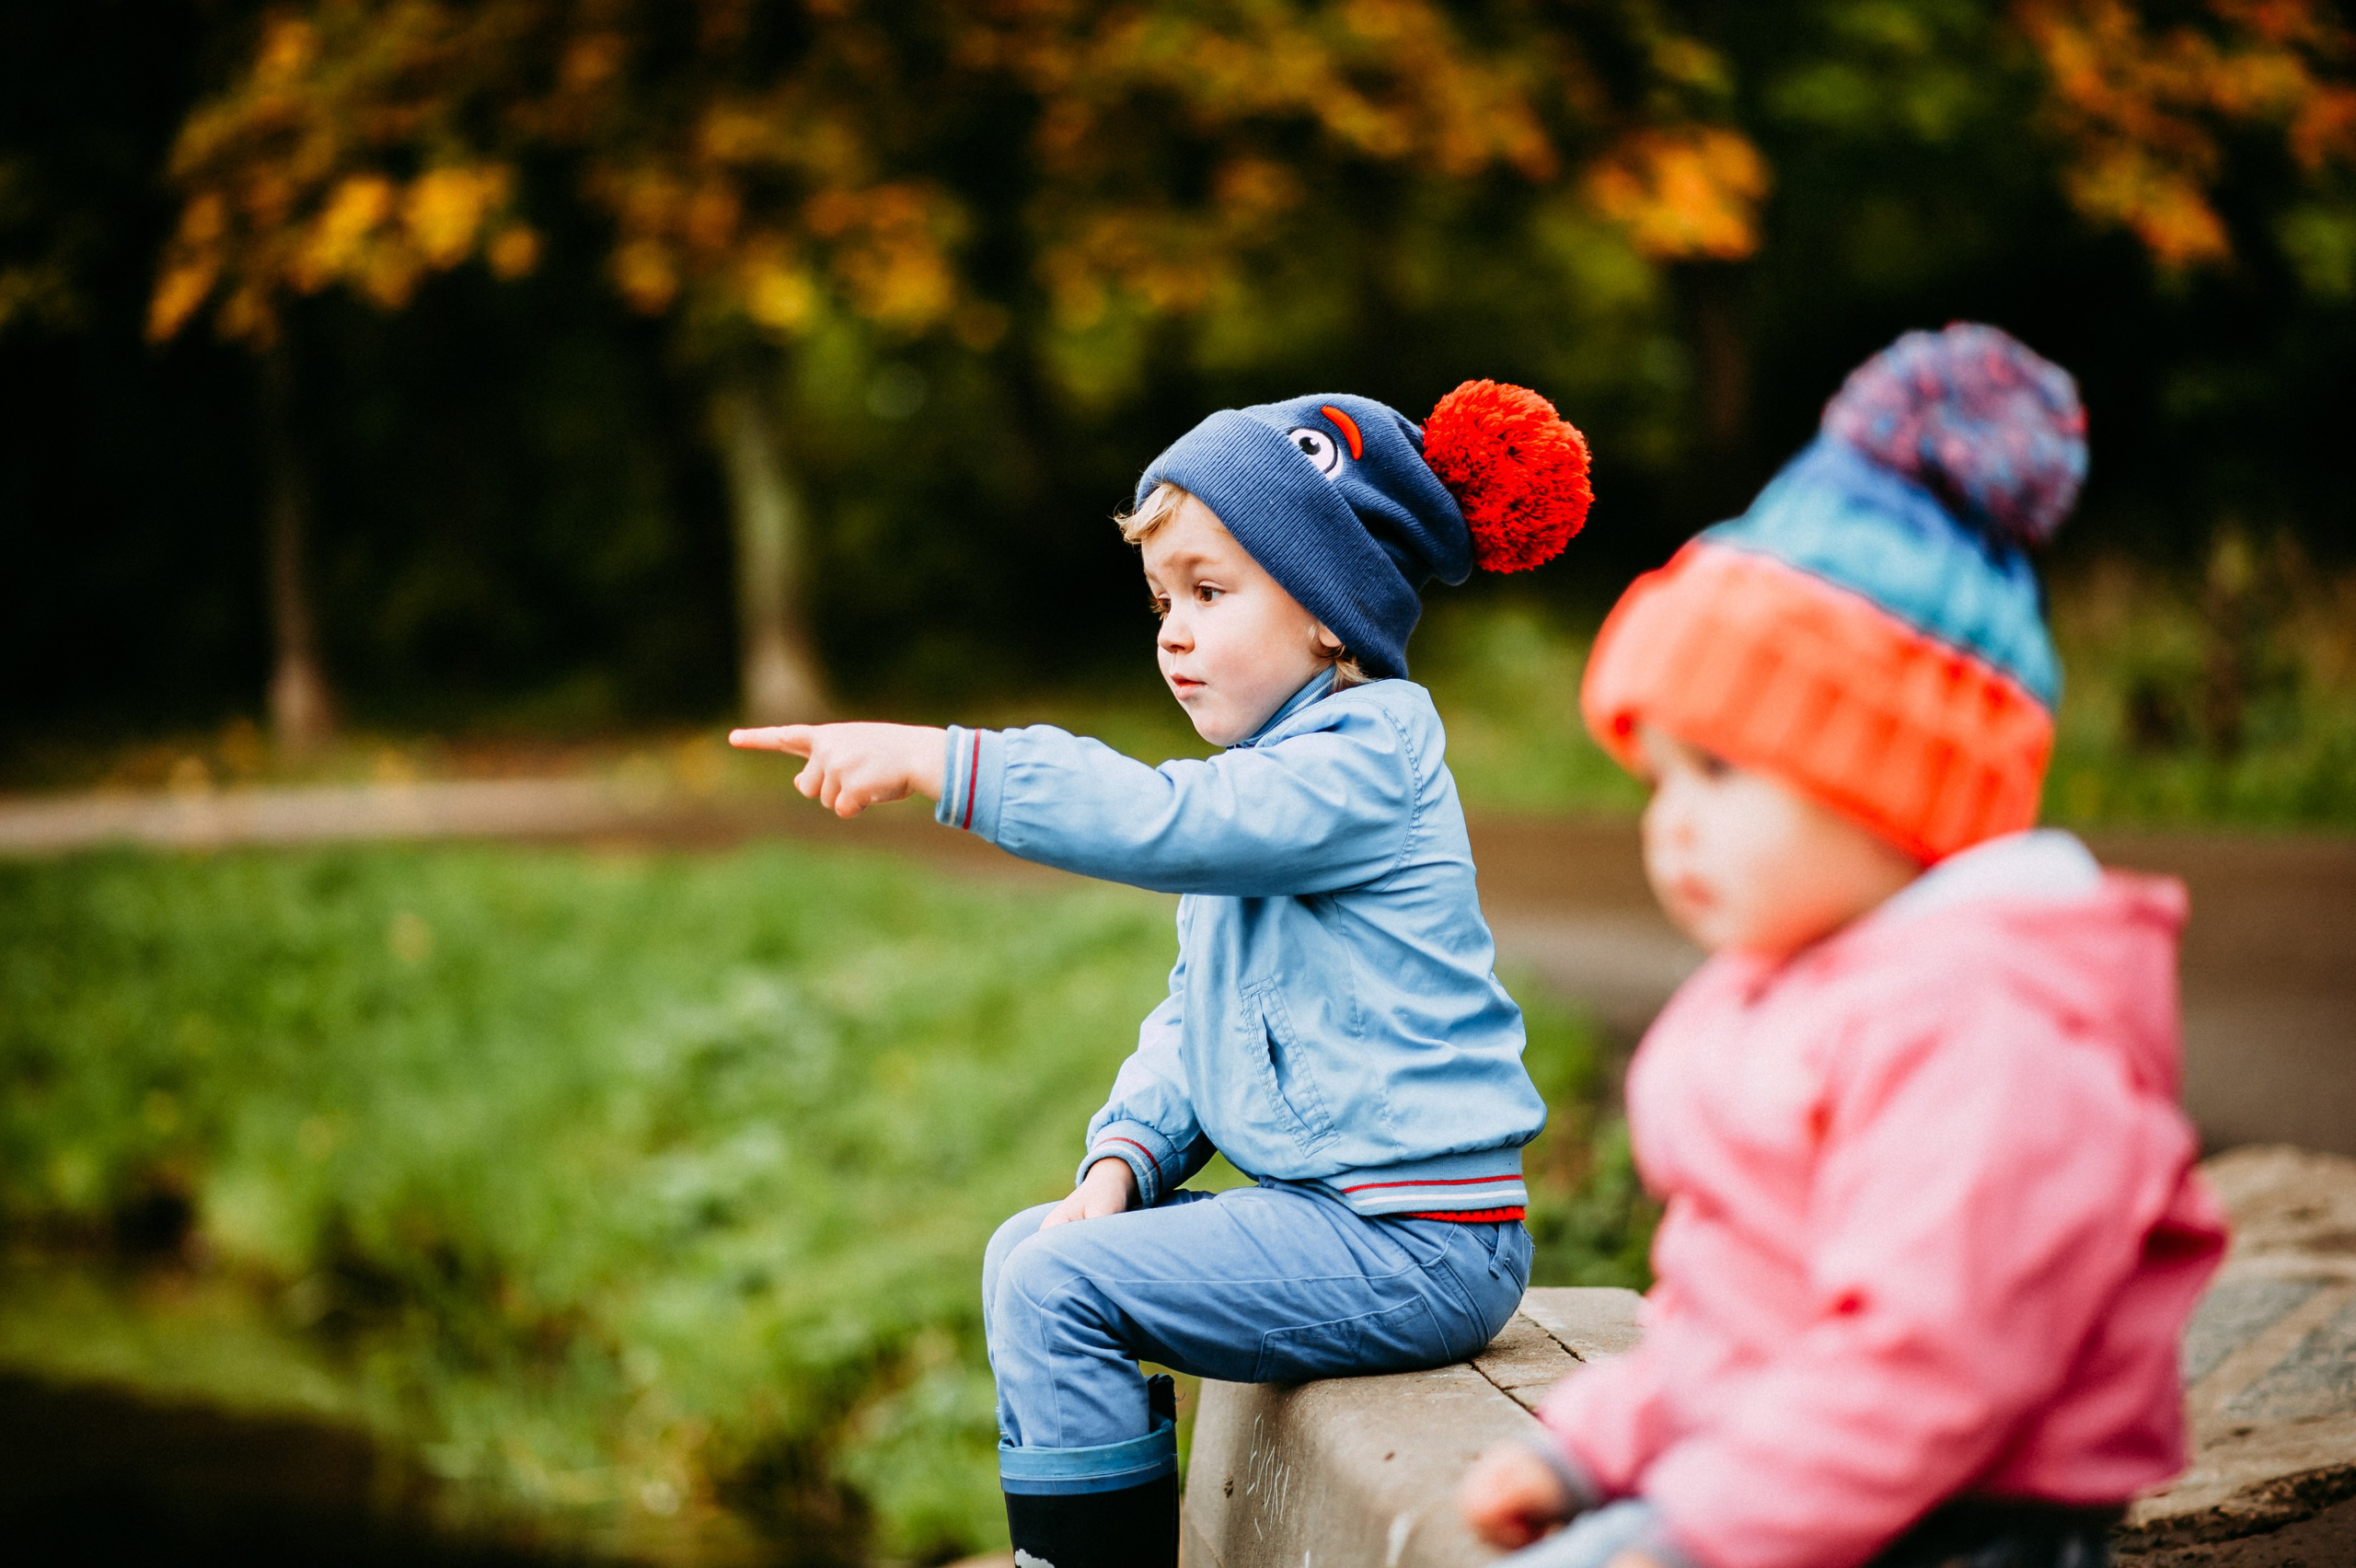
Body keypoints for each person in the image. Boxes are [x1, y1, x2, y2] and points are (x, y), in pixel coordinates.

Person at [732, 383, 1594, 1568]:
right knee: (1029, 1254)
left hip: (1421, 1245)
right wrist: (1123, 1156)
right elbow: (1199, 1013)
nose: (1173, 631)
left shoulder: (1358, 766)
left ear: (1331, 619)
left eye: (1209, 591)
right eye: (1161, 600)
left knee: (1055, 1291)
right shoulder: (1275, 779)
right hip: (1335, 1220)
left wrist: (946, 762)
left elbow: (1155, 817)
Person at [1454, 323, 2231, 1568]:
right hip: (1793, 1473)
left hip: (1959, 1523)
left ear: (1896, 784)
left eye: (1718, 770)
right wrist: (1593, 1446)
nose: (1672, 828)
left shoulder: (1990, 1025)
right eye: (1656, 779)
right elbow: (1735, 1314)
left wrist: (1692, 1533)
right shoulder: (1797, 984)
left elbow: (1934, 1368)